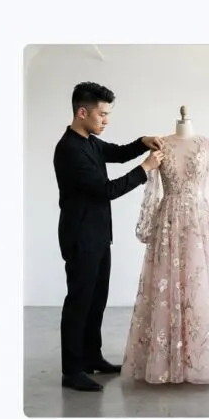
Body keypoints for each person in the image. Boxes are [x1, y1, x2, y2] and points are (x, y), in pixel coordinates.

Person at [53, 81, 165, 392]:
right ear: (82, 112)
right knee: (79, 304)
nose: (107, 120)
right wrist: (145, 169)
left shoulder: (89, 141)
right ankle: (71, 371)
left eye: (108, 114)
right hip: (81, 239)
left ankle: (92, 357)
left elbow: (116, 153)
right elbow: (106, 191)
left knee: (96, 301)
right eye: (103, 114)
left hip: (100, 236)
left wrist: (142, 142)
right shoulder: (69, 150)